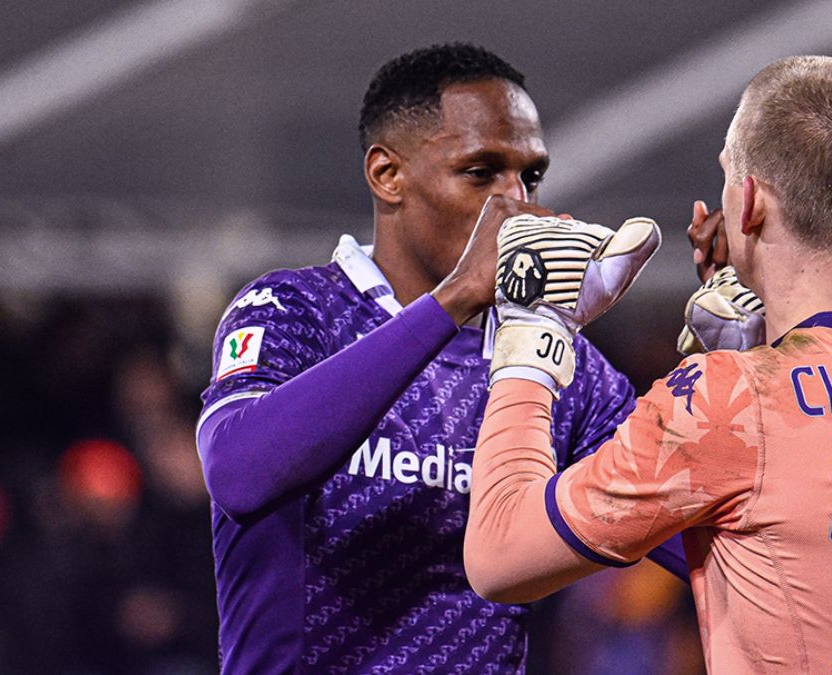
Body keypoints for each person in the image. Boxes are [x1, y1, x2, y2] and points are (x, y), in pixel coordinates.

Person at [464, 55, 832, 673]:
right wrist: (755, 348)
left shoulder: (729, 402)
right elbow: (806, 550)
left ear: (750, 203)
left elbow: (499, 557)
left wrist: (533, 326)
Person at [195, 43, 682, 674]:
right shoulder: (294, 309)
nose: (517, 204)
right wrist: (455, 298)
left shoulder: (554, 367)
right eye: (482, 174)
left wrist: (739, 374)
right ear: (387, 175)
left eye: (529, 177)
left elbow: (705, 541)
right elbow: (240, 471)